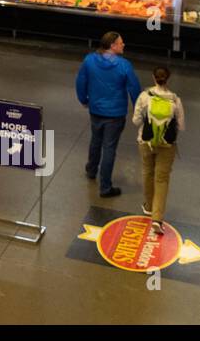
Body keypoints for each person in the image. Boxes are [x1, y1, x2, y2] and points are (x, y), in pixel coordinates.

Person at [75, 31, 142, 198]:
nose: (123, 45)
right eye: (121, 43)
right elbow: (134, 88)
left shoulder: (90, 60)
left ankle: (91, 170)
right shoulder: (124, 65)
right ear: (112, 46)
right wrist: (139, 109)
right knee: (109, 148)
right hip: (115, 113)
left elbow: (81, 80)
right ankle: (105, 187)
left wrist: (83, 99)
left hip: (96, 109)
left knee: (95, 140)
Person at [132, 67, 186, 235]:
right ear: (168, 79)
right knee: (161, 179)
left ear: (153, 77)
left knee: (147, 172)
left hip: (145, 141)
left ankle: (148, 206)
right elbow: (182, 126)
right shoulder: (175, 100)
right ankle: (157, 218)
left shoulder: (144, 96)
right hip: (167, 146)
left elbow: (135, 120)